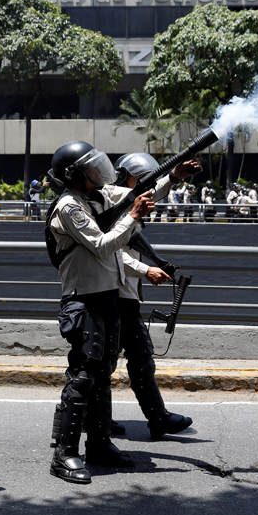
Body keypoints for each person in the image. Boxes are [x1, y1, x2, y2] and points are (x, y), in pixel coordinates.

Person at [45, 141, 154, 484]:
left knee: (103, 373)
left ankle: (100, 444)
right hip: (84, 300)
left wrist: (172, 176)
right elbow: (103, 244)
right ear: (74, 175)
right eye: (90, 168)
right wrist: (133, 216)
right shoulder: (69, 207)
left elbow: (131, 192)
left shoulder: (97, 197)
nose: (98, 172)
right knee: (83, 376)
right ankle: (64, 455)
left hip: (107, 298)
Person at [111, 153, 199, 439]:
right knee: (99, 364)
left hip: (125, 296)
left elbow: (148, 192)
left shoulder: (126, 202)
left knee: (139, 360)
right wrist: (144, 270)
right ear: (124, 178)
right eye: (140, 178)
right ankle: (90, 419)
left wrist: (173, 177)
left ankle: (155, 418)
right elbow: (108, 253)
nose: (146, 186)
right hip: (111, 295)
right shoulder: (113, 203)